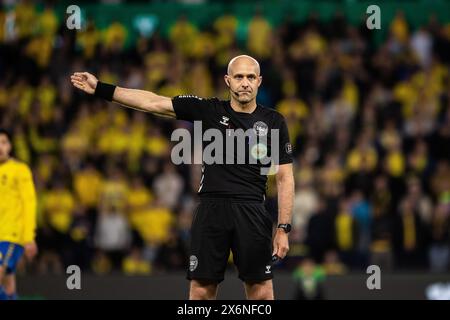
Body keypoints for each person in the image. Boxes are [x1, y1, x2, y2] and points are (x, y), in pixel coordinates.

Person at [70, 55, 294, 300]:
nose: (245, 83)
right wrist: (101, 88)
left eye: (251, 77)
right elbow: (154, 102)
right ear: (227, 81)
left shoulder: (274, 121)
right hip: (212, 210)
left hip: (252, 210)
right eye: (239, 77)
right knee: (200, 292)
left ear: (259, 81)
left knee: (261, 293)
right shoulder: (208, 110)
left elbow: (284, 177)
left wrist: (283, 228)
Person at [0, 129, 38, 300]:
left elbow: (29, 203)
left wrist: (29, 237)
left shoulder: (20, 170)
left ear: (10, 145)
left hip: (11, 235)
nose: (0, 147)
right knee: (8, 286)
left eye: (3, 142)